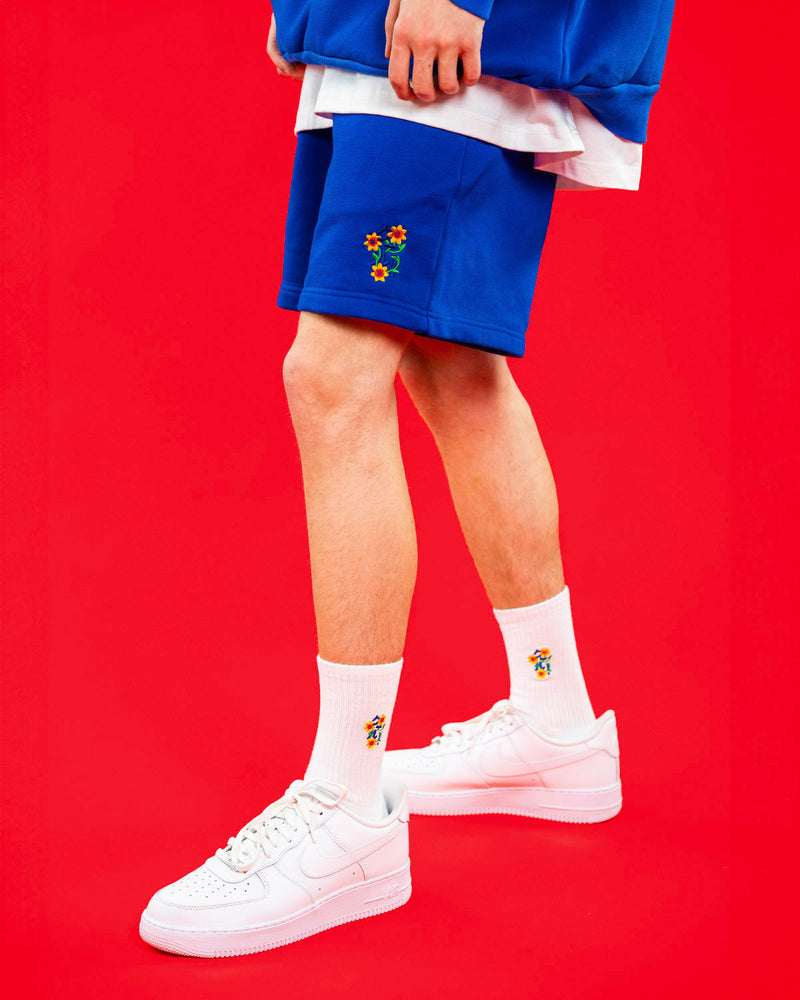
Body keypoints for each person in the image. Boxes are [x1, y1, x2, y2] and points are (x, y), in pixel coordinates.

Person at [139, 0, 674, 957]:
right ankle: (556, 722)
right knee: (451, 363)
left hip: (441, 28)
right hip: (377, 28)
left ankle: (350, 802)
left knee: (333, 374)